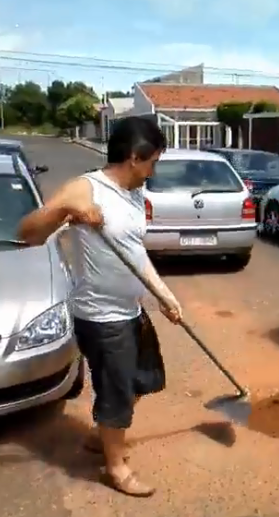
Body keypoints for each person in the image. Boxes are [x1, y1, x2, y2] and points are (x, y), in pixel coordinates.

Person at [17, 116, 183, 497]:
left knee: (146, 379)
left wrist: (164, 296)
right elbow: (26, 234)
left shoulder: (134, 194)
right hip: (101, 318)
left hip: (131, 310)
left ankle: (103, 432)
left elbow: (135, 254)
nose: (153, 171)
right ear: (135, 158)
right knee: (117, 390)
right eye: (153, 162)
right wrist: (65, 214)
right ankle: (115, 467)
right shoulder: (85, 189)